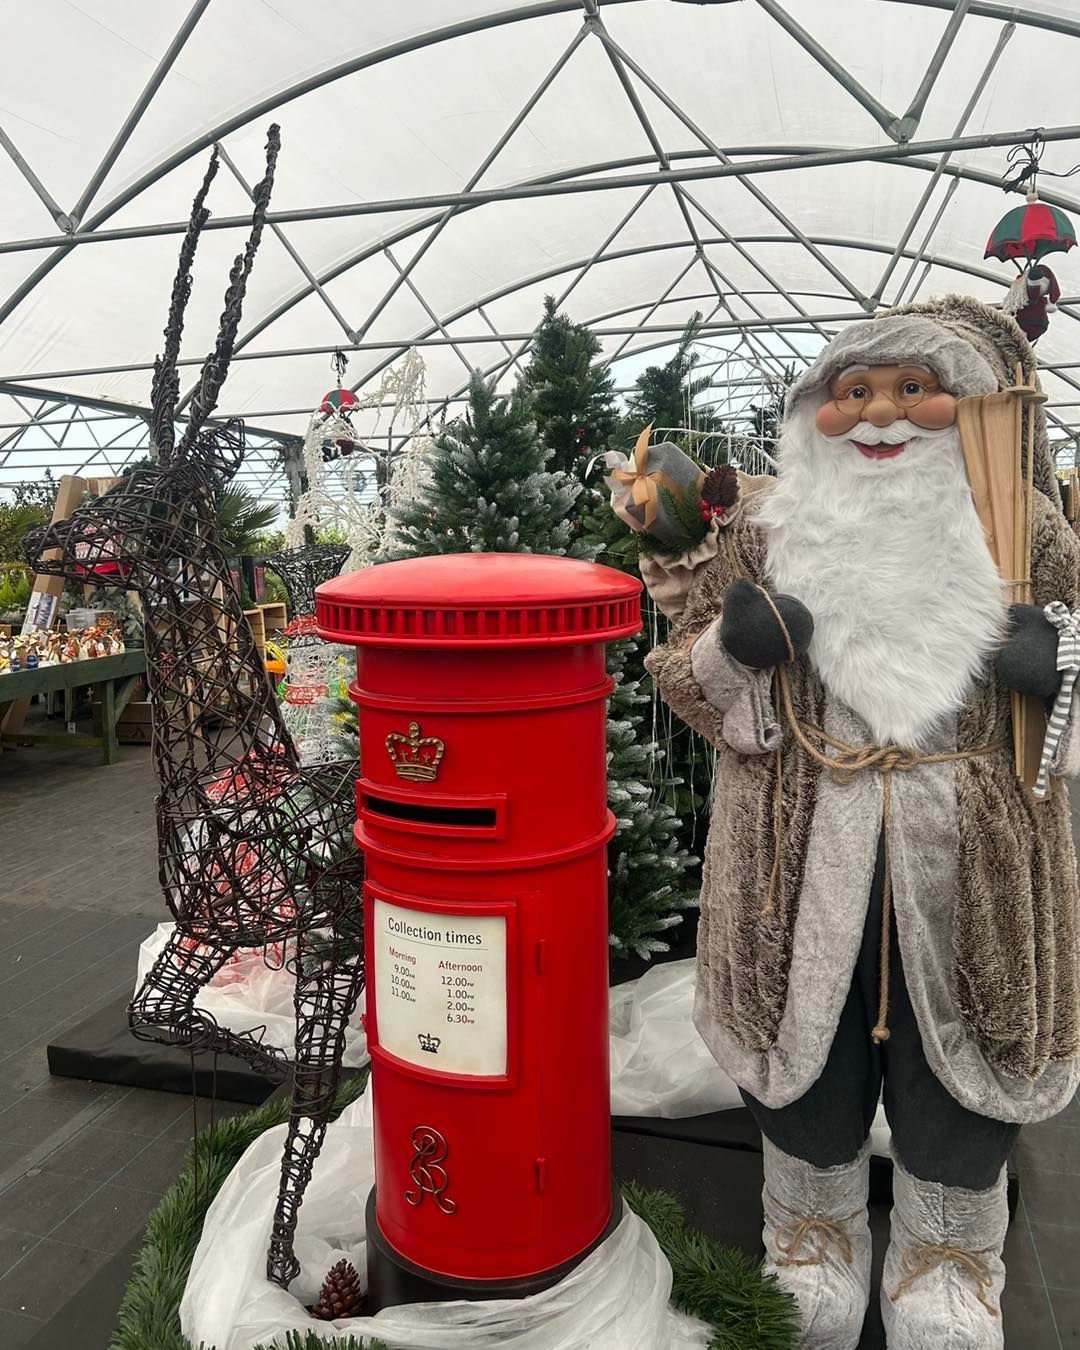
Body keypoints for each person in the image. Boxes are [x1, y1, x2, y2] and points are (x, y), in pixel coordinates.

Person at [644, 296, 1080, 1349]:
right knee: (810, 1061)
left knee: (961, 1062)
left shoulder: (1034, 538)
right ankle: (811, 1242)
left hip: (972, 857)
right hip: (796, 858)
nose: (881, 414)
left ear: (973, 410)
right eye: (854, 393)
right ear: (814, 413)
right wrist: (732, 655)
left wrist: (1057, 667)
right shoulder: (763, 531)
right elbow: (684, 678)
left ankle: (947, 1260)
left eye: (913, 390)